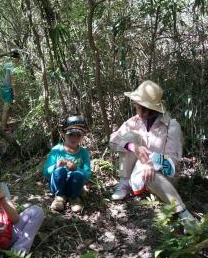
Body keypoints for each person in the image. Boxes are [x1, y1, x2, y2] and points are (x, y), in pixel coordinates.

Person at [109, 80, 194, 223]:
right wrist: (131, 146)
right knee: (130, 137)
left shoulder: (171, 126)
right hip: (137, 174)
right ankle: (125, 184)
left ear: (147, 108)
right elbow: (112, 140)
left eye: (138, 104)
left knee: (150, 174)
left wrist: (150, 163)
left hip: (161, 177)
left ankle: (185, 215)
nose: (134, 105)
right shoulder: (133, 121)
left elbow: (171, 161)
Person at [43, 115, 91, 212]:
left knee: (78, 174)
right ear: (64, 134)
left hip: (74, 186)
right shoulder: (56, 150)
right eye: (71, 134)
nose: (74, 138)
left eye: (78, 135)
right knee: (59, 171)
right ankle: (59, 197)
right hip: (57, 185)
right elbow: (46, 172)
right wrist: (56, 166)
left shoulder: (83, 153)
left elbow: (87, 175)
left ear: (83, 136)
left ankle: (74, 198)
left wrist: (76, 168)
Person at [0, 51, 20, 133]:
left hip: (2, 88)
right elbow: (12, 79)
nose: (18, 61)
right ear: (16, 58)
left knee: (8, 108)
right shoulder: (12, 66)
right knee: (6, 108)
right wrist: (15, 92)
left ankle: (5, 125)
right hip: (7, 89)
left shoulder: (5, 64)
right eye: (18, 59)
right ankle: (3, 127)